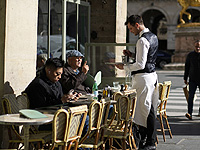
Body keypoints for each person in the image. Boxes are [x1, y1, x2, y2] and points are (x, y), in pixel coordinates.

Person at [116, 15, 158, 150]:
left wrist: (125, 67)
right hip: (151, 76)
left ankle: (149, 141)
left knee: (145, 109)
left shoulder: (142, 40)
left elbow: (140, 64)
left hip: (143, 77)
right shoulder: (153, 36)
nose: (130, 31)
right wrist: (132, 55)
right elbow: (147, 57)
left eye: (130, 28)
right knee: (148, 108)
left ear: (137, 25)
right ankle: (149, 139)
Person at [184, 40, 200, 120]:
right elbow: (187, 67)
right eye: (196, 46)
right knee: (190, 97)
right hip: (192, 79)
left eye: (199, 46)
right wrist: (185, 78)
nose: (198, 48)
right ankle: (189, 113)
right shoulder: (190, 55)